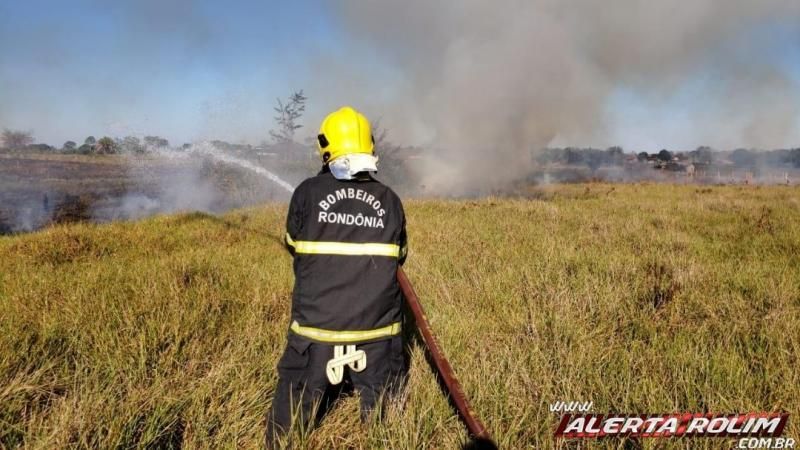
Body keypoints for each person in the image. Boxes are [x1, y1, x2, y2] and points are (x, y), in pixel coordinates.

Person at [265, 106, 408, 447]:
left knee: (287, 426)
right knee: (386, 422)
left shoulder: (306, 192)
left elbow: (293, 245)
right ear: (369, 147)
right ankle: (381, 427)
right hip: (378, 332)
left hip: (315, 331)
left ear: (326, 147)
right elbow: (400, 256)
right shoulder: (390, 200)